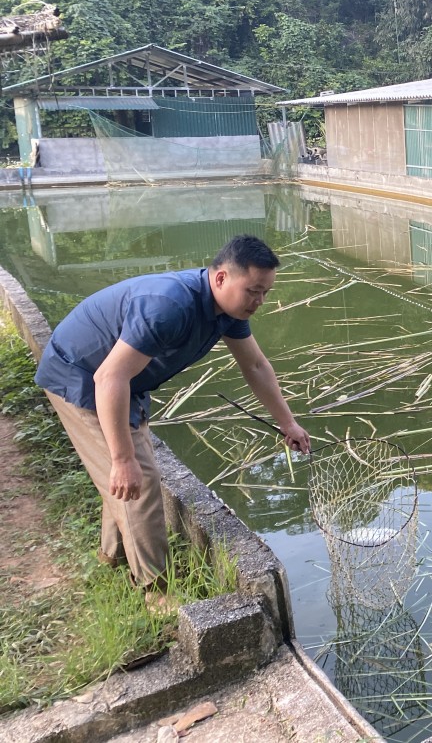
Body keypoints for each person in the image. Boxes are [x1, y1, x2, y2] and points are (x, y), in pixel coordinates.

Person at [35, 234, 310, 609]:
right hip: (82, 375)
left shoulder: (228, 313)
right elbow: (108, 378)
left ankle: (112, 559)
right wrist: (121, 458)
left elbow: (257, 366)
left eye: (265, 292)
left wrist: (288, 423)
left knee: (130, 478)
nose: (259, 302)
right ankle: (156, 593)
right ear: (221, 279)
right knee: (138, 478)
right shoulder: (170, 305)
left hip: (124, 382)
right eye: (253, 291)